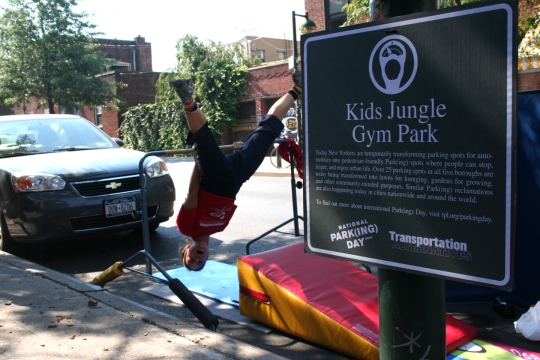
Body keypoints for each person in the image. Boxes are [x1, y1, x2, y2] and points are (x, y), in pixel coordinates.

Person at [170, 71, 303, 271]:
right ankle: (298, 88)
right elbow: (230, 196)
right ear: (208, 256)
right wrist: (238, 154)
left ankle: (187, 98)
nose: (198, 258)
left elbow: (192, 194)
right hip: (238, 176)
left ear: (186, 249)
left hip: (213, 180)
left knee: (203, 136)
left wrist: (198, 162)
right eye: (201, 262)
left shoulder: (186, 227)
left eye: (191, 259)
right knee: (268, 130)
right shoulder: (220, 227)